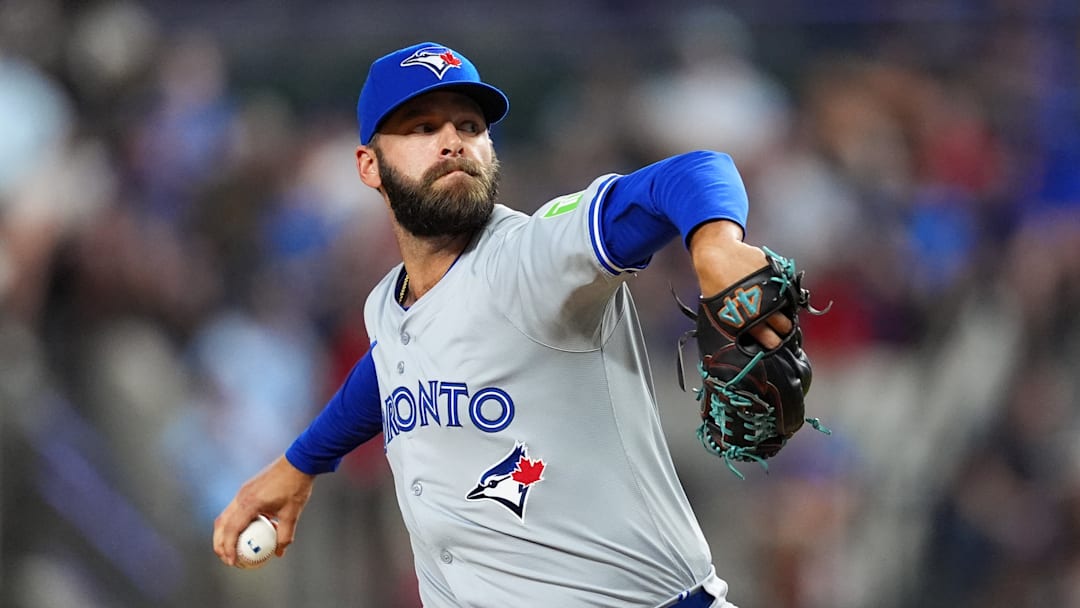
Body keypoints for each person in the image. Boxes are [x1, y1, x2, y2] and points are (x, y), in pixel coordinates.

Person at [213, 41, 794, 608]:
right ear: (369, 165)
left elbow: (695, 171)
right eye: (422, 128)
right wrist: (300, 463)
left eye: (469, 126)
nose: (452, 142)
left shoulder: (533, 258)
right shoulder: (389, 306)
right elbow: (393, 366)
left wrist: (715, 244)